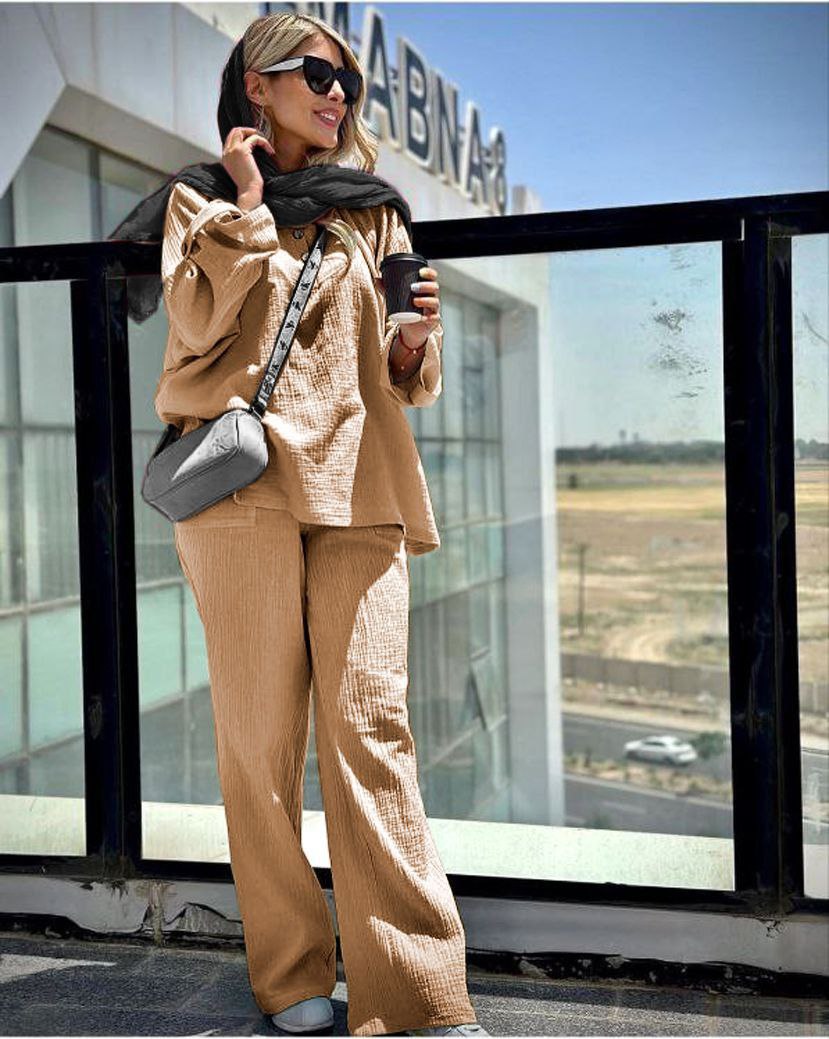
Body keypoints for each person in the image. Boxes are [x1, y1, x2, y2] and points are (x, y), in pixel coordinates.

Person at [114, 12, 488, 1038]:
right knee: (258, 743)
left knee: (371, 728)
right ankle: (289, 975)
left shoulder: (372, 210)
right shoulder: (197, 200)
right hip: (240, 495)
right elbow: (197, 326)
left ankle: (416, 993)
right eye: (318, 74)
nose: (338, 95)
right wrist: (245, 208)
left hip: (361, 488)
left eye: (348, 83)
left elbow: (407, 379)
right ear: (258, 84)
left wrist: (414, 343)